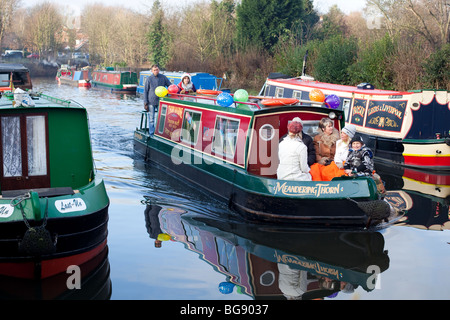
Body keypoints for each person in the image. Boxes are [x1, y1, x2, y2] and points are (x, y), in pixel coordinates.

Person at [143, 64, 171, 135]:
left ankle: (160, 133)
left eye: (157, 70)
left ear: (159, 70)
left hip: (161, 102)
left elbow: (170, 86)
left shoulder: (163, 77)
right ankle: (151, 133)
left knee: (161, 119)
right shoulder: (149, 79)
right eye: (154, 70)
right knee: (151, 119)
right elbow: (146, 91)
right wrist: (145, 102)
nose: (156, 71)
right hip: (151, 102)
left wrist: (169, 92)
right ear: (152, 71)